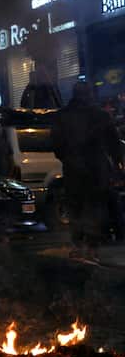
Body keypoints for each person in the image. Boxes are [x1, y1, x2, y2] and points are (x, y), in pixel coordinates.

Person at [51, 81, 125, 262]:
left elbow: (56, 145)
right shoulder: (101, 116)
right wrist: (118, 165)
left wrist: (69, 159)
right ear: (90, 94)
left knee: (76, 208)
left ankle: (78, 246)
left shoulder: (62, 117)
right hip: (96, 171)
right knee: (95, 208)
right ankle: (92, 248)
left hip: (73, 171)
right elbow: (114, 144)